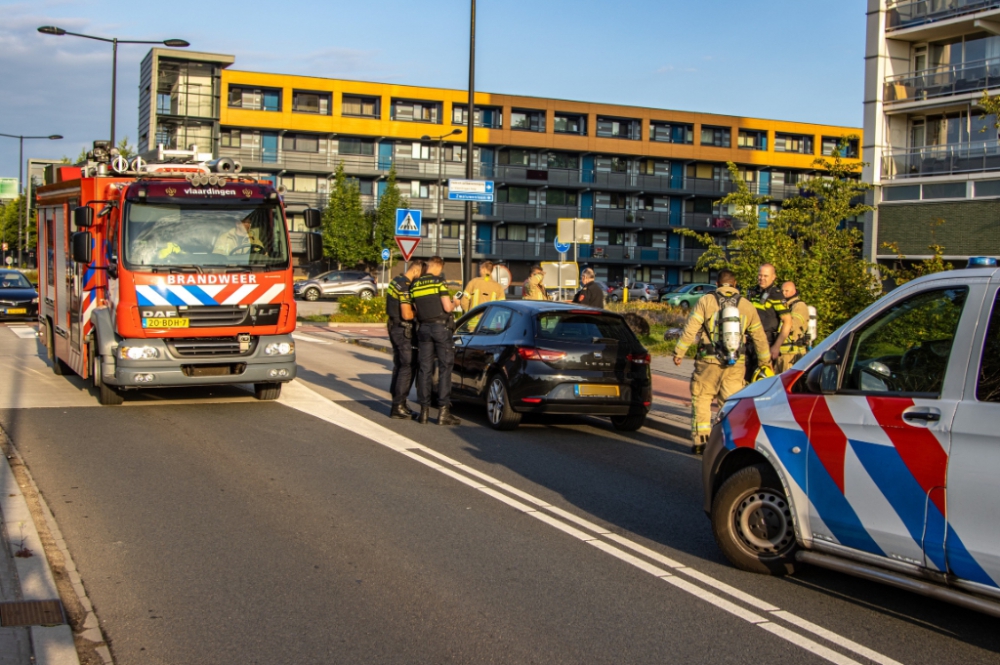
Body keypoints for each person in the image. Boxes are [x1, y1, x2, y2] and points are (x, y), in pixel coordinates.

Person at [673, 270, 771, 455]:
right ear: (735, 284)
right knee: (730, 404)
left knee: (702, 399)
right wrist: (765, 361)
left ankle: (701, 442)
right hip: (735, 364)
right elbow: (759, 336)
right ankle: (729, 443)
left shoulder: (706, 301)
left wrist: (679, 352)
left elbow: (690, 328)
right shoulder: (746, 305)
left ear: (717, 284)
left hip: (708, 361)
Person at [411, 256, 460, 426]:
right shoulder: (439, 282)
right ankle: (443, 412)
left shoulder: (415, 285)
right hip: (440, 329)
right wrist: (455, 303)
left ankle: (423, 412)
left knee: (425, 369)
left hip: (424, 329)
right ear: (439, 267)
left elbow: (416, 310)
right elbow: (447, 307)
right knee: (445, 368)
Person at [386, 262, 424, 419]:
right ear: (415, 270)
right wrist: (420, 311)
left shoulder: (395, 281)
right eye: (420, 274)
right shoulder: (405, 286)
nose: (419, 278)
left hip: (394, 326)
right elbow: (407, 314)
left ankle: (398, 402)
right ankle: (398, 406)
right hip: (403, 330)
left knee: (399, 365)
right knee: (407, 366)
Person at [744, 263, 791, 380]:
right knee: (744, 379)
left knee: (762, 379)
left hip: (765, 343)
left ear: (773, 277)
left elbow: (787, 322)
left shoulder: (776, 295)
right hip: (749, 342)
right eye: (760, 275)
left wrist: (776, 346)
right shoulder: (753, 292)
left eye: (765, 276)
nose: (762, 278)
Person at [776, 281, 811, 374]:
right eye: (782, 291)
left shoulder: (799, 306)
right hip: (781, 353)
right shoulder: (784, 306)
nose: (783, 293)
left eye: (787, 291)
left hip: (792, 354)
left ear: (794, 291)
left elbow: (792, 325)